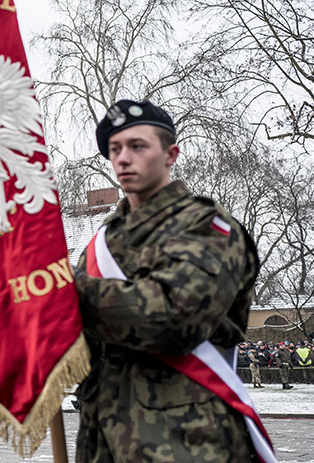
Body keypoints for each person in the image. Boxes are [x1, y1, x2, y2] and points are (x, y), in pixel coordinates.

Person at [74, 99, 259, 462]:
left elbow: (175, 317)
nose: (123, 158)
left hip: (186, 439)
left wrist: (63, 292)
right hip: (102, 441)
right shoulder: (101, 244)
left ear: (171, 153)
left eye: (137, 146)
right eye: (115, 149)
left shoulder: (206, 227)